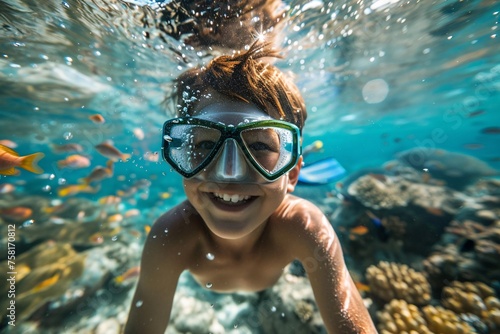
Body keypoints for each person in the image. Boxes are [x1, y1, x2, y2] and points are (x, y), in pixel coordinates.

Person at [124, 41, 376, 333]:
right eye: (205, 144)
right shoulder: (170, 237)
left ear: (292, 174)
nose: (229, 173)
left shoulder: (305, 227)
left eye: (258, 145)